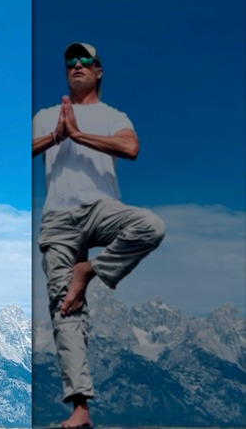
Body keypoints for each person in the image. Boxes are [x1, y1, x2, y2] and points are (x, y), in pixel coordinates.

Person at [32, 42, 165, 428]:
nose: (76, 66)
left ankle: (89, 270)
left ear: (98, 70)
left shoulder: (112, 115)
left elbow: (131, 146)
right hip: (57, 216)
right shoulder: (45, 116)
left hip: (101, 207)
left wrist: (78, 135)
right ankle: (80, 409)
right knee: (64, 306)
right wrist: (56, 137)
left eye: (84, 61)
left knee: (150, 226)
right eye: (70, 62)